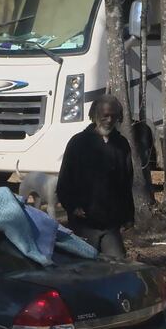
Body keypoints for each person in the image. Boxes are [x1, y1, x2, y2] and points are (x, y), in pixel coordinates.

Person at [56, 94, 134, 258]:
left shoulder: (122, 144)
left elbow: (126, 182)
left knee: (117, 264)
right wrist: (72, 206)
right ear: (95, 115)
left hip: (110, 223)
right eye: (105, 115)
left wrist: (128, 215)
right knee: (84, 266)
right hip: (84, 221)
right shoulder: (78, 143)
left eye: (113, 115)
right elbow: (64, 181)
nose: (109, 119)